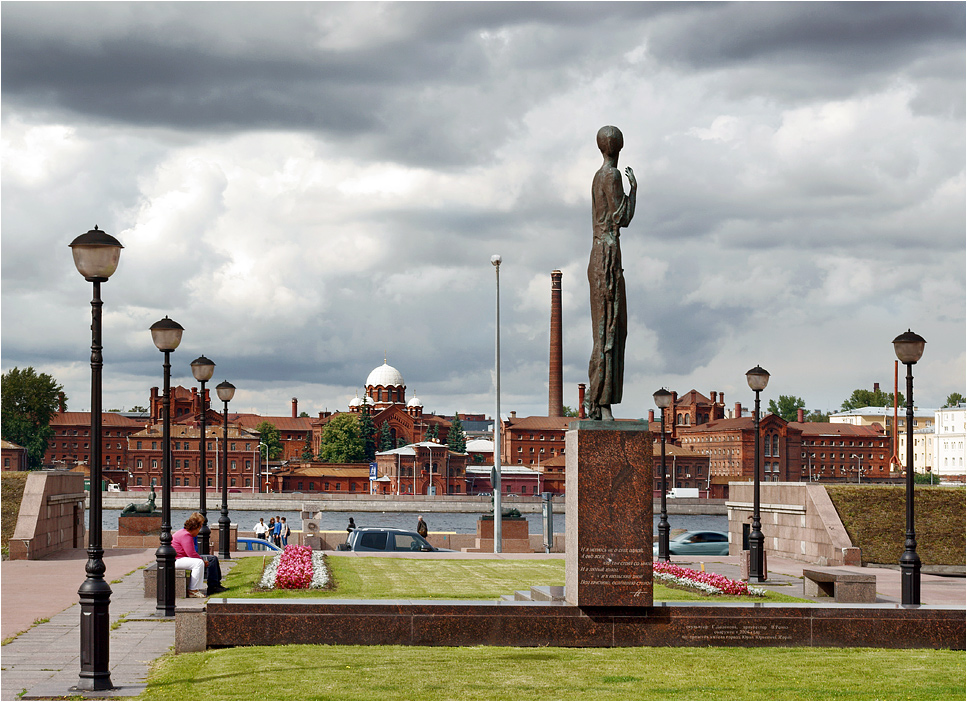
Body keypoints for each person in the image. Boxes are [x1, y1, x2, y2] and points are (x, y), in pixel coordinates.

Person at [587, 125, 636, 421]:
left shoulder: (597, 176)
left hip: (601, 255)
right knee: (610, 332)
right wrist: (635, 191)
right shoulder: (611, 175)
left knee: (608, 331)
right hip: (607, 256)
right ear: (619, 147)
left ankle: (600, 402)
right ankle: (601, 403)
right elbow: (622, 217)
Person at [172, 512, 226, 597]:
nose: (200, 530)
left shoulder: (185, 533)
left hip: (181, 557)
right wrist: (203, 561)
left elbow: (192, 552)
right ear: (196, 527)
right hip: (177, 559)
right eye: (200, 527)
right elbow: (191, 553)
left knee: (212, 558)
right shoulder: (186, 535)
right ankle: (193, 589)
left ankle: (215, 585)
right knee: (199, 563)